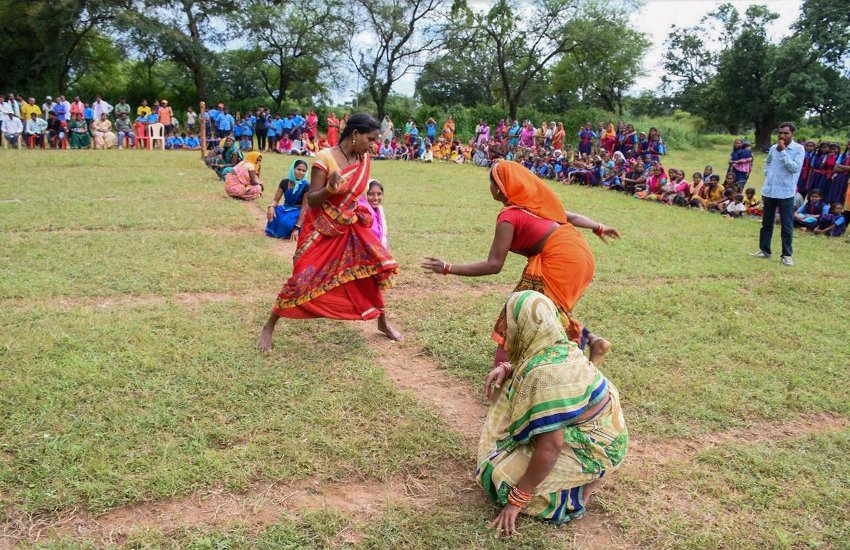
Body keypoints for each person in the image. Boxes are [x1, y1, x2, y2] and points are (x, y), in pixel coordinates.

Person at [422, 160, 619, 367]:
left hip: (560, 257)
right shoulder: (532, 203)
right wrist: (599, 227)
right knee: (548, 310)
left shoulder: (508, 216)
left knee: (520, 312)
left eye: (492, 182)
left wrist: (447, 268)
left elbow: (494, 265)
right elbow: (572, 216)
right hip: (578, 252)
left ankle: (507, 376)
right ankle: (593, 341)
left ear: (499, 187)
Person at [477, 291, 627, 536]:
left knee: (498, 478)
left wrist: (517, 500)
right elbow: (530, 363)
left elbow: (551, 447)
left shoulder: (543, 375)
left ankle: (573, 496)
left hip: (595, 449)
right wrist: (507, 367)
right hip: (608, 434)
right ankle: (580, 477)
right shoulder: (562, 347)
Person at [257, 113, 401, 352]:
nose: (374, 144)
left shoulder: (364, 158)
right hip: (321, 229)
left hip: (351, 226)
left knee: (372, 271)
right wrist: (329, 189)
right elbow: (312, 199)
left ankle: (382, 322)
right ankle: (269, 326)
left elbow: (357, 193)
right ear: (355, 134)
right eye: (371, 138)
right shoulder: (325, 157)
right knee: (302, 277)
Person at [750, 122, 805, 266]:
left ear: (793, 134)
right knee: (766, 223)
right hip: (770, 190)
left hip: (786, 192)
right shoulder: (774, 148)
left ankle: (786, 255)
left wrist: (783, 152)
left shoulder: (798, 149)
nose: (782, 136)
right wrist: (768, 174)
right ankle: (764, 250)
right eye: (780, 133)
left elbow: (794, 168)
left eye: (786, 133)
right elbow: (768, 163)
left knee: (787, 225)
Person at [266, 159, 309, 240]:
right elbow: (276, 200)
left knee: (285, 223)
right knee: (273, 216)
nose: (301, 173)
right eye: (298, 169)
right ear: (293, 169)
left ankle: (292, 231)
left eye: (304, 171)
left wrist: (297, 228)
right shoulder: (284, 182)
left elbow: (304, 209)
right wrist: (271, 207)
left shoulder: (306, 185)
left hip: (298, 211)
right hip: (286, 208)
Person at [358, 180, 389, 250]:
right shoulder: (360, 212)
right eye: (371, 194)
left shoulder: (379, 212)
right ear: (364, 194)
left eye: (379, 194)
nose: (376, 198)